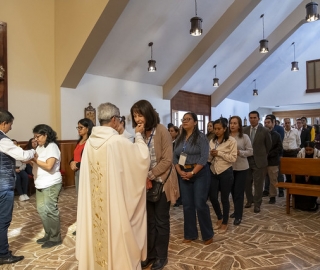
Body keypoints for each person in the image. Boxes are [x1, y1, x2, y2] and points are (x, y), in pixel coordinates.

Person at [76, 102, 150, 270]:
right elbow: (142, 158)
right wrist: (138, 136)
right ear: (115, 120)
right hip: (114, 207)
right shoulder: (117, 142)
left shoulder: (89, 144)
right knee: (116, 233)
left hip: (96, 208)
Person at [131, 100, 179, 270]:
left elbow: (167, 160)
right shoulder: (139, 134)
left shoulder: (162, 131)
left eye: (140, 114)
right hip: (146, 184)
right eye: (135, 115)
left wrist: (150, 175)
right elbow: (136, 157)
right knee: (149, 222)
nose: (137, 119)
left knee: (161, 222)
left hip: (161, 183)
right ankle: (150, 254)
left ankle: (161, 256)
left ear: (148, 114)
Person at [0, 109, 35, 265]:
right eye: (10, 124)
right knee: (3, 220)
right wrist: (34, 150)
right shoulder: (3, 140)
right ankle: (3, 254)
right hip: (3, 186)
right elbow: (22, 156)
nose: (11, 128)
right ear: (4, 123)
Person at [174, 112, 213, 245]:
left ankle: (207, 235)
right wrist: (179, 171)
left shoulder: (201, 137)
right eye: (183, 119)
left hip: (199, 173)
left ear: (195, 122)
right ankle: (190, 234)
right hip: (184, 173)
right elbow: (175, 156)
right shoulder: (180, 138)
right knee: (187, 205)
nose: (185, 121)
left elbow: (204, 157)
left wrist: (192, 173)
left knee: (199, 204)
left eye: (188, 119)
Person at [32, 124, 63, 249]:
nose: (36, 139)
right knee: (42, 210)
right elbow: (38, 164)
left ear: (46, 135)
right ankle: (48, 234)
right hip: (40, 182)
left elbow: (49, 166)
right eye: (34, 136)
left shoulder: (52, 147)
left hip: (51, 183)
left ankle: (55, 238)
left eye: (38, 136)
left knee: (50, 210)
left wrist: (34, 160)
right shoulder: (40, 147)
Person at [208, 118, 237, 233]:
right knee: (213, 197)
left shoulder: (231, 141)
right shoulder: (211, 141)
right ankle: (219, 217)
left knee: (225, 198)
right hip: (213, 171)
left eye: (219, 129)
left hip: (226, 171)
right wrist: (211, 155)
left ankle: (225, 222)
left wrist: (219, 153)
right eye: (215, 129)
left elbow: (233, 158)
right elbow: (209, 159)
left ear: (225, 129)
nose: (216, 131)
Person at [243, 111, 272, 213]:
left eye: (254, 117)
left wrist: (262, 155)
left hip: (259, 161)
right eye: (250, 117)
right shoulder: (244, 130)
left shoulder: (264, 131)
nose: (252, 119)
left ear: (258, 119)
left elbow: (269, 146)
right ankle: (249, 200)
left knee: (258, 184)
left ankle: (257, 204)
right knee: (247, 182)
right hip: (246, 160)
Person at [69, 118, 93, 235]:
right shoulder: (79, 141)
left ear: (88, 128)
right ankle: (82, 226)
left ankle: (86, 227)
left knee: (86, 200)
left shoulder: (91, 142)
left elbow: (91, 160)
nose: (78, 130)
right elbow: (74, 156)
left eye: (81, 127)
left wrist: (77, 164)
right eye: (78, 127)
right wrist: (71, 163)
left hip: (86, 173)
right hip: (78, 173)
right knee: (80, 200)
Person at [229, 116, 252, 226]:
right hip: (229, 167)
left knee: (238, 192)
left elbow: (250, 151)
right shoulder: (226, 136)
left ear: (239, 125)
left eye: (235, 123)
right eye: (231, 123)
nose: (232, 125)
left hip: (242, 168)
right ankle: (236, 210)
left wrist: (240, 152)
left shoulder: (244, 137)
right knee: (232, 191)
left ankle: (239, 216)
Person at [295, 141, 320, 211]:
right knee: (298, 178)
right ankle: (300, 203)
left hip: (315, 174)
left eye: (310, 150)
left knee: (316, 179)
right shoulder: (300, 153)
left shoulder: (318, 153)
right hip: (303, 173)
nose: (308, 152)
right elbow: (297, 166)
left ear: (314, 148)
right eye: (306, 150)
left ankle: (312, 201)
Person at [264, 116, 282, 204]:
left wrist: (269, 154)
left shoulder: (276, 135)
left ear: (273, 123)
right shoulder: (262, 134)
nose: (266, 124)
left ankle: (272, 196)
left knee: (273, 180)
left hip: (273, 161)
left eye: (268, 122)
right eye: (265, 122)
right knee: (261, 179)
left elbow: (279, 148)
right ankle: (263, 192)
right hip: (262, 161)